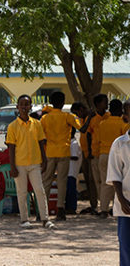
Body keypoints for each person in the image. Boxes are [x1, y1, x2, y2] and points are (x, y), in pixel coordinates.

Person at [6, 95, 52, 228]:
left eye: (27, 104)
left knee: (39, 190)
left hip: (35, 163)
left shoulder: (37, 124)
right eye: (22, 104)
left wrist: (44, 160)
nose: (24, 107)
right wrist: (12, 166)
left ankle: (45, 219)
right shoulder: (12, 126)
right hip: (19, 164)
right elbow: (11, 148)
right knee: (21, 192)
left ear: (31, 106)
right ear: (17, 107)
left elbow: (41, 142)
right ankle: (24, 219)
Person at [40, 91, 80, 221]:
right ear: (63, 102)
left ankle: (43, 210)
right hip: (64, 151)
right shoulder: (68, 116)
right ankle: (60, 209)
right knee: (62, 181)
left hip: (50, 152)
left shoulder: (45, 118)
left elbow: (41, 137)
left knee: (46, 181)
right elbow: (81, 128)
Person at [107, 125, 130, 266]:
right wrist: (121, 199)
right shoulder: (120, 144)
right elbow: (115, 175)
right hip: (126, 204)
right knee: (126, 245)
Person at [97, 99, 130, 217]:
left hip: (103, 154)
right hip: (116, 153)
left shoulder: (102, 123)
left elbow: (97, 138)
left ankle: (104, 209)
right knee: (113, 179)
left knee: (105, 184)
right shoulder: (122, 129)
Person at [85, 95, 110, 214]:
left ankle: (108, 205)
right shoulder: (93, 119)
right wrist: (89, 151)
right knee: (97, 180)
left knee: (108, 180)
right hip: (95, 153)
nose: (107, 104)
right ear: (98, 104)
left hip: (107, 152)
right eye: (105, 102)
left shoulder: (110, 117)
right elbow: (88, 135)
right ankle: (102, 205)